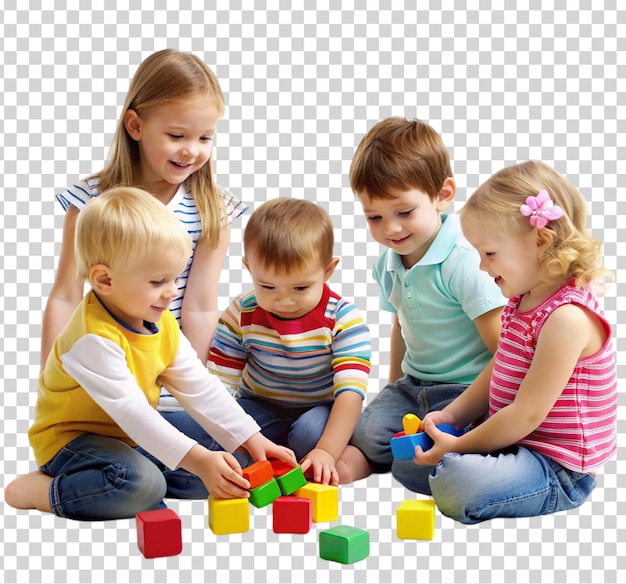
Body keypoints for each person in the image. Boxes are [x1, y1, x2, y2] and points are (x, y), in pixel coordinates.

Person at [4, 188, 295, 521]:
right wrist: (198, 461)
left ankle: (133, 483)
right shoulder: (93, 339)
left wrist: (250, 438)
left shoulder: (160, 320)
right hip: (74, 443)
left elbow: (199, 387)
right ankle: (41, 490)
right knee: (143, 483)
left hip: (130, 438)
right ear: (105, 280)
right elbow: (134, 414)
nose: (172, 292)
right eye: (159, 281)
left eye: (174, 278)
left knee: (236, 464)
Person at [401, 160, 617, 524]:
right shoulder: (522, 299)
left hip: (556, 467)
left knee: (456, 483)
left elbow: (527, 413)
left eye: (490, 254)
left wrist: (458, 446)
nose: (483, 268)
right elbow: (499, 365)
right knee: (407, 464)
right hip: (514, 442)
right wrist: (454, 415)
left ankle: (462, 467)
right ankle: (462, 462)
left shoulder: (567, 318)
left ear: (540, 241)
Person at [43, 48, 246, 413]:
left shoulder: (211, 207)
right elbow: (66, 295)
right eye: (177, 135)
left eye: (204, 138)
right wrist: (52, 379)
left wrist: (190, 393)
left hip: (172, 367)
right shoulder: (91, 200)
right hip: (106, 367)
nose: (191, 151)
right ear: (135, 126)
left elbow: (199, 306)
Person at [339, 117, 507, 483]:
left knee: (423, 458)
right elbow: (400, 324)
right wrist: (393, 385)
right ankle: (383, 460)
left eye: (404, 212)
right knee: (366, 433)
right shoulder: (388, 263)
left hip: (466, 389)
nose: (391, 229)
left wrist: (477, 406)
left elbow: (504, 349)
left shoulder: (464, 261)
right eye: (374, 216)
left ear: (443, 195)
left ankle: (466, 460)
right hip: (414, 385)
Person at [208, 198, 372, 485]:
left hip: (320, 411)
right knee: (223, 431)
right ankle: (274, 457)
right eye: (267, 286)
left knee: (310, 434)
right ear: (249, 269)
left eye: (300, 287)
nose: (284, 300)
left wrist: (326, 452)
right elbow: (219, 386)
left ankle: (337, 455)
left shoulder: (343, 318)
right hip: (260, 407)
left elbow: (350, 393)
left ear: (328, 270)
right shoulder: (241, 313)